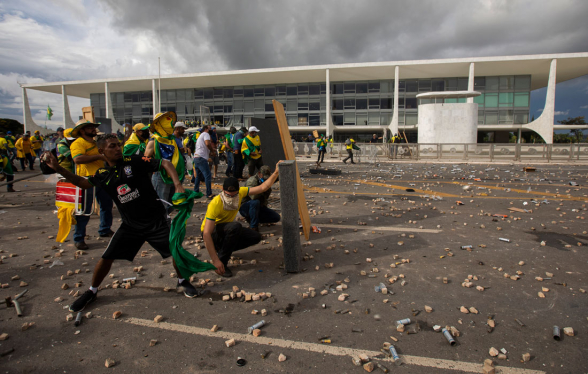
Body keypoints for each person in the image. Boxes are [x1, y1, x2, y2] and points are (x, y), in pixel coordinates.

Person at [42, 134, 209, 312]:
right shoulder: (103, 174)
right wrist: (58, 168)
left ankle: (182, 281)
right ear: (101, 151)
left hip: (156, 221)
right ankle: (92, 291)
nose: (117, 149)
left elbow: (165, 164)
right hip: (131, 226)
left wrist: (177, 185)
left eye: (118, 145)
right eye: (112, 146)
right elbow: (82, 183)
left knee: (175, 252)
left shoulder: (134, 161)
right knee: (106, 258)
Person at [201, 166, 281, 277]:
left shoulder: (241, 192)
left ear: (238, 191)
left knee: (255, 237)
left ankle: (223, 249)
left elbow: (263, 187)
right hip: (212, 234)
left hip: (226, 230)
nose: (231, 197)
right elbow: (206, 233)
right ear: (223, 191)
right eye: (228, 195)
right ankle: (222, 262)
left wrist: (276, 172)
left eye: (234, 195)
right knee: (235, 227)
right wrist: (215, 260)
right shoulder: (215, 203)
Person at [70, 119, 114, 249]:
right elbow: (77, 158)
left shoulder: (95, 143)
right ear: (82, 130)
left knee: (106, 205)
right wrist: (99, 157)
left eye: (93, 127)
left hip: (101, 177)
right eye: (90, 127)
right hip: (86, 179)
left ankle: (105, 229)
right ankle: (79, 238)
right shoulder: (78, 143)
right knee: (84, 210)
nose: (93, 129)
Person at [145, 111, 185, 214]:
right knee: (161, 203)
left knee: (172, 202)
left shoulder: (172, 140)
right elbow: (145, 160)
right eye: (166, 121)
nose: (170, 123)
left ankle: (164, 220)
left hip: (174, 175)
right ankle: (161, 225)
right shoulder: (153, 141)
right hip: (160, 175)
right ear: (159, 125)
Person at [239, 165, 281, 232]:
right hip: (246, 206)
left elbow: (276, 178)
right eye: (264, 177)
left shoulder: (265, 179)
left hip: (258, 207)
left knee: (276, 217)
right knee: (255, 202)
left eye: (267, 178)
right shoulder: (252, 181)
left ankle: (253, 218)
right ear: (259, 174)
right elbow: (253, 197)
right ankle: (253, 228)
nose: (266, 179)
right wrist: (263, 187)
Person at [193, 125, 215, 198]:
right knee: (207, 175)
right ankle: (209, 193)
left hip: (196, 157)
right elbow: (208, 144)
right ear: (206, 129)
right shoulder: (205, 134)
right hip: (201, 158)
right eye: (209, 129)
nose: (211, 130)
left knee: (198, 176)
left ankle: (196, 192)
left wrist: (210, 152)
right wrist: (212, 151)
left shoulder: (200, 136)